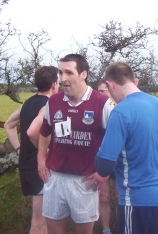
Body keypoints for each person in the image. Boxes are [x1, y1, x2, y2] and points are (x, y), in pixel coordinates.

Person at [87, 62, 158, 234]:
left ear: (110, 85)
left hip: (136, 202)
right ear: (133, 81)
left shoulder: (121, 112)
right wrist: (153, 139)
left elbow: (105, 165)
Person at [37, 54, 114, 234]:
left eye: (69, 73)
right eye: (60, 73)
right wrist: (41, 158)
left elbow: (117, 141)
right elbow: (44, 131)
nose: (63, 78)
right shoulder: (54, 101)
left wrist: (104, 171)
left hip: (85, 181)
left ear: (83, 74)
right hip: (54, 177)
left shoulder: (103, 103)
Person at [4, 66, 59, 234]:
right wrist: (45, 154)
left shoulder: (27, 103)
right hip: (40, 169)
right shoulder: (49, 104)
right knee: (39, 224)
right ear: (54, 85)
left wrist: (19, 149)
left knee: (46, 223)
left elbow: (8, 125)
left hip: (27, 166)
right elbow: (32, 132)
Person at [97, 79, 118, 234]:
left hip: (118, 160)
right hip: (101, 157)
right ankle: (106, 230)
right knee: (103, 197)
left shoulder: (119, 109)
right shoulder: (96, 109)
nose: (100, 94)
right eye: (98, 91)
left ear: (111, 90)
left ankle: (121, 227)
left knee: (119, 197)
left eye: (103, 91)